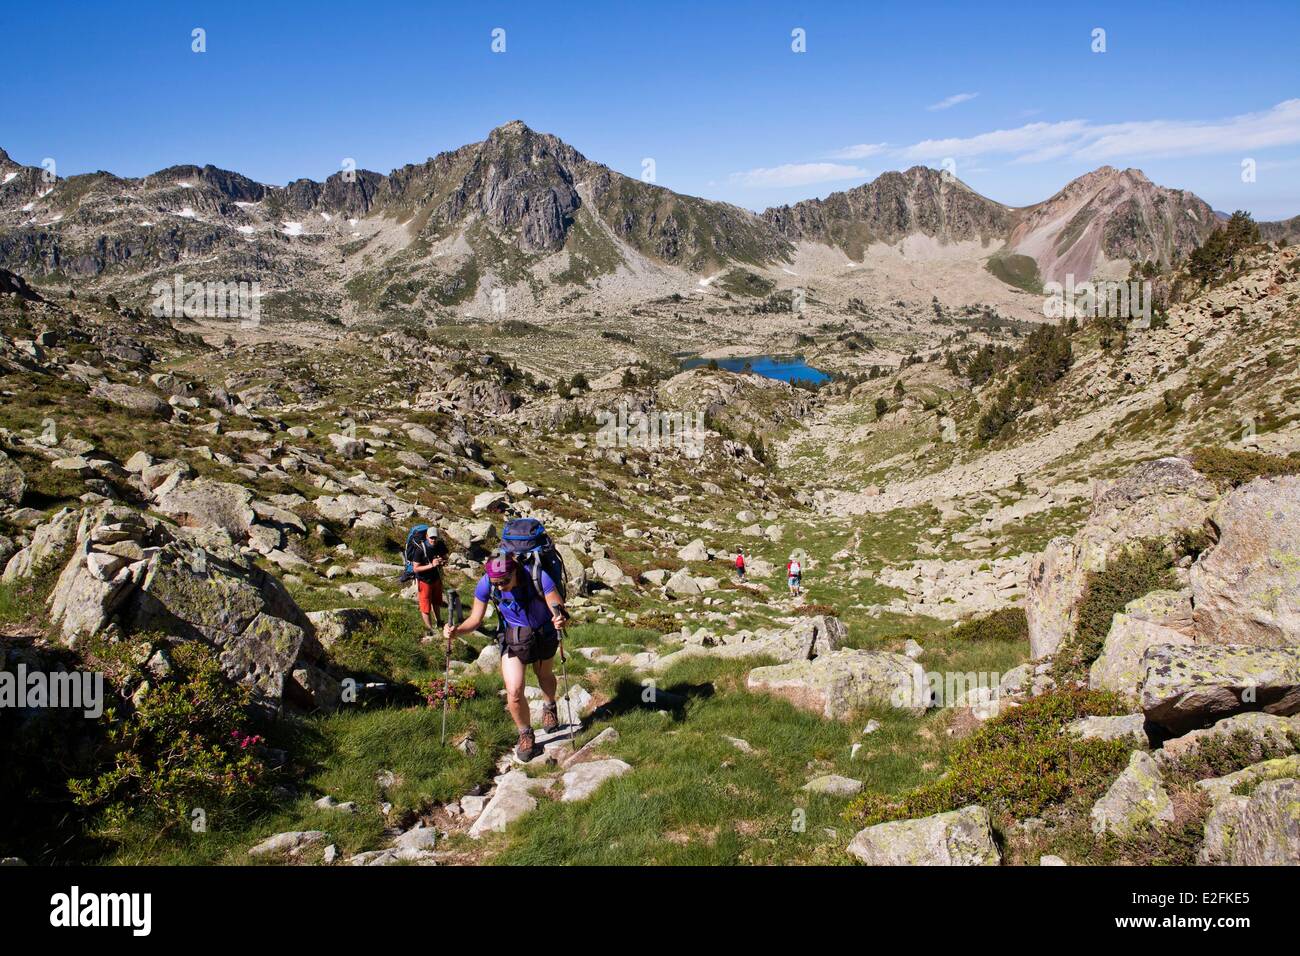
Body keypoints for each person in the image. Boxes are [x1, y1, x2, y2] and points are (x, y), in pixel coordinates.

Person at [443, 554, 568, 761]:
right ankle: (525, 734)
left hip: (543, 633)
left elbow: (559, 608)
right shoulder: (486, 584)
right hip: (513, 637)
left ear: (515, 572)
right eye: (496, 583)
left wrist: (560, 619)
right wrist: (457, 631)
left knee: (544, 674)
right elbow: (475, 619)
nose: (500, 587)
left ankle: (549, 706)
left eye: (504, 582)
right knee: (514, 690)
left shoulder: (538, 576)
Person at [405, 525, 448, 634]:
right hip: (424, 581)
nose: (433, 540)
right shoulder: (420, 549)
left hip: (436, 578)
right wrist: (431, 565)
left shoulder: (440, 545)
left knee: (437, 602)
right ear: (427, 536)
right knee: (425, 606)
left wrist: (442, 561)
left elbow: (445, 557)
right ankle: (430, 629)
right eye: (431, 538)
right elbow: (416, 568)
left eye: (435, 538)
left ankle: (439, 622)